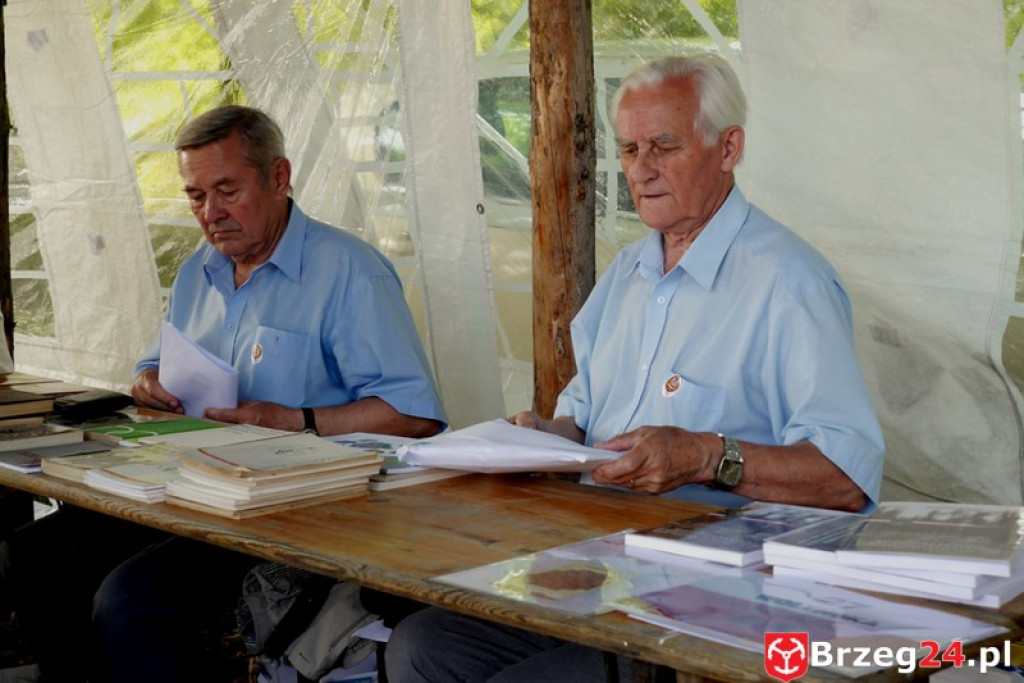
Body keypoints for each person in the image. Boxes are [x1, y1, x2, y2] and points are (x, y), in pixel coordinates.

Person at [384, 53, 884, 683]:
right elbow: (585, 421)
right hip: (604, 565)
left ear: (729, 148)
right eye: (627, 149)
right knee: (422, 647)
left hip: (722, 594)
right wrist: (538, 438)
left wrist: (708, 457)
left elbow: (847, 478)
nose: (640, 171)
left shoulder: (788, 283)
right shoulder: (628, 275)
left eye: (663, 146)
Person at [0, 105, 446, 683]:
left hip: (297, 510)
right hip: (193, 491)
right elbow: (158, 362)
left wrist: (298, 420)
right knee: (35, 557)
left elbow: (414, 416)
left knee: (130, 601)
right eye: (194, 196)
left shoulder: (350, 272)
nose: (210, 214)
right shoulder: (198, 272)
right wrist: (146, 382)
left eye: (227, 190)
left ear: (280, 178)